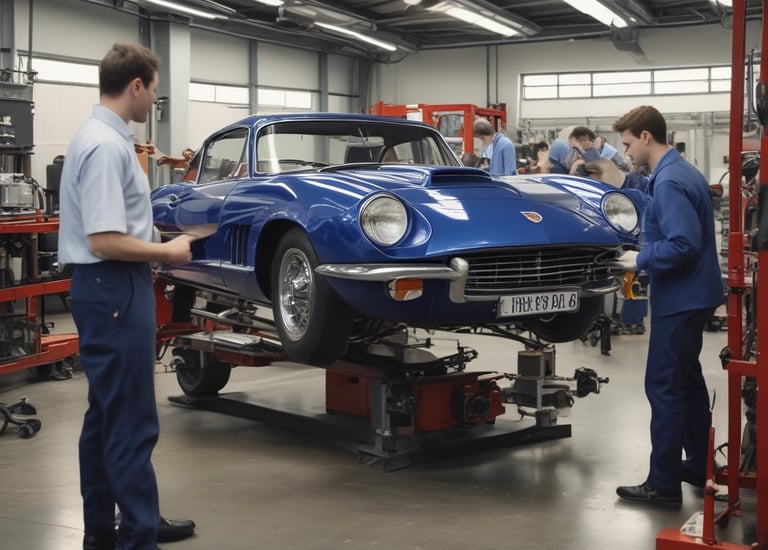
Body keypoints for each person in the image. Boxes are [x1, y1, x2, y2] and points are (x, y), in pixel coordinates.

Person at [58, 42, 198, 549]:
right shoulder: (105, 146)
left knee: (106, 416)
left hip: (110, 287)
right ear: (136, 85)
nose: (154, 102)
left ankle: (105, 531)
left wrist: (159, 239)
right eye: (154, 91)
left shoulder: (105, 139)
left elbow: (116, 225)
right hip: (114, 285)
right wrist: (168, 252)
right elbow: (103, 239)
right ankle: (137, 536)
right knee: (131, 421)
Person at [611, 105, 722, 507]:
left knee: (663, 387)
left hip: (680, 297)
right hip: (697, 293)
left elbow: (683, 243)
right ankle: (698, 465)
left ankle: (663, 484)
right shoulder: (681, 171)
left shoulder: (671, 181)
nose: (626, 152)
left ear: (645, 136)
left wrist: (639, 259)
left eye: (627, 145)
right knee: (687, 382)